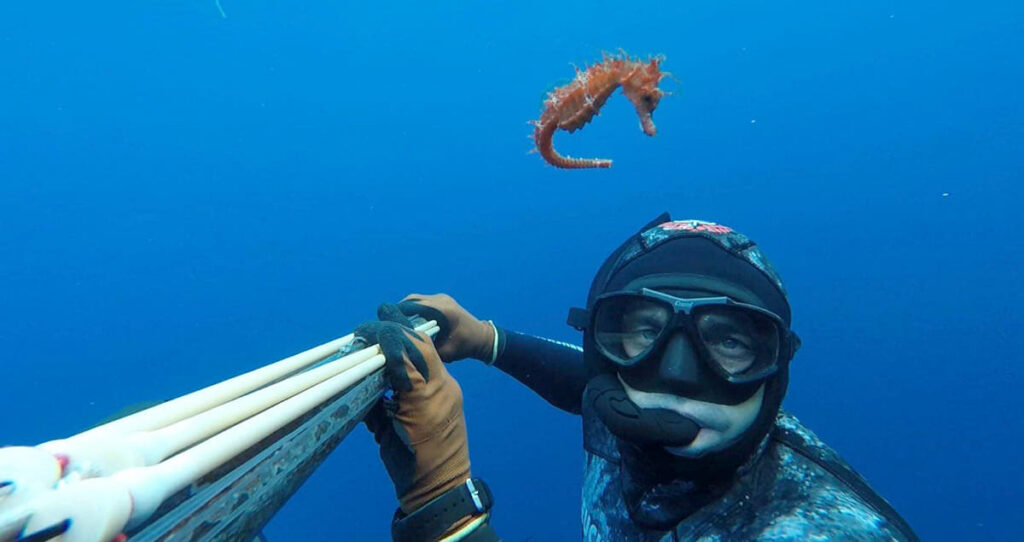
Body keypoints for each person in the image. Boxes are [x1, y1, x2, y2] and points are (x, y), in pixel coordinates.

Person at [354, 213, 919, 541]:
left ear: (778, 370)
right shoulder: (626, 401)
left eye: (727, 341)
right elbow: (589, 382)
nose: (674, 375)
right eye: (641, 333)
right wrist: (487, 341)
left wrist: (443, 500)